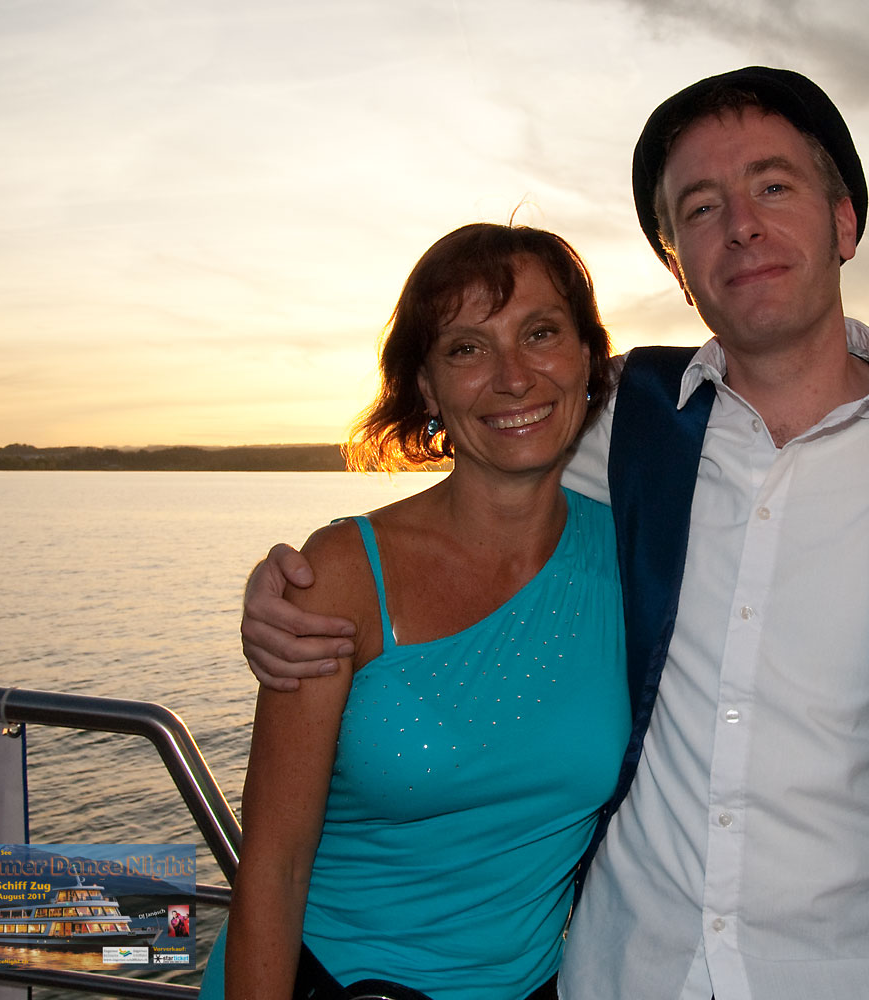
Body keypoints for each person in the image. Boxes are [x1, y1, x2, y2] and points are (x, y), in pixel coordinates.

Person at [241, 68, 869, 1000]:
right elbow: (481, 494)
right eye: (701, 207)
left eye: (773, 186)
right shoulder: (624, 418)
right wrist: (292, 589)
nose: (741, 224)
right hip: (621, 974)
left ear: (844, 223)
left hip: (863, 975)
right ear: (677, 266)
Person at [204, 223, 629, 1000]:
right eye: (467, 348)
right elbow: (273, 865)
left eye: (541, 333)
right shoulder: (342, 575)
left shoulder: (633, 561)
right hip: (327, 985)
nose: (513, 377)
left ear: (588, 359)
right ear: (428, 388)